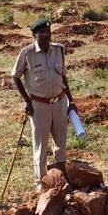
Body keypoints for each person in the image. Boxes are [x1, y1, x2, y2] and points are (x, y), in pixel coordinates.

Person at [11, 18, 76, 192]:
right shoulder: (27, 53)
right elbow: (15, 77)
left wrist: (71, 101)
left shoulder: (59, 50)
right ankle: (42, 184)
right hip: (39, 105)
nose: (46, 35)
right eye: (41, 33)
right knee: (40, 146)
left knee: (61, 142)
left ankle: (61, 178)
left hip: (60, 102)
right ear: (34, 35)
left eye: (48, 32)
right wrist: (27, 100)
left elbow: (63, 76)